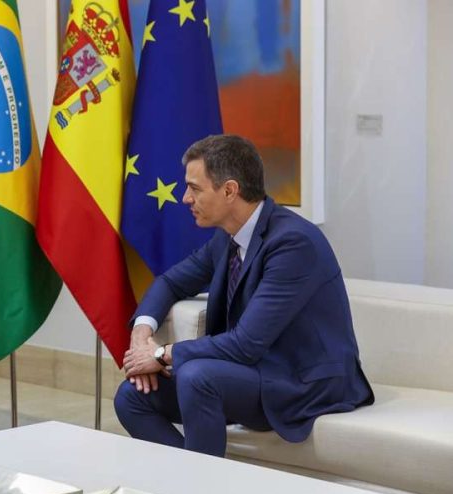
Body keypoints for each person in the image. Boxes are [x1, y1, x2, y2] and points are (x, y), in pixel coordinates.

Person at [115, 134, 374, 457]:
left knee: (198, 376)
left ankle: (196, 487)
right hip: (250, 373)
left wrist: (160, 355)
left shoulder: (293, 243)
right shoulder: (226, 239)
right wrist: (142, 335)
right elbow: (170, 282)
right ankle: (195, 485)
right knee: (131, 397)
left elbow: (246, 344)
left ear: (229, 191)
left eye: (195, 188)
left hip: (302, 382)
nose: (184, 198)